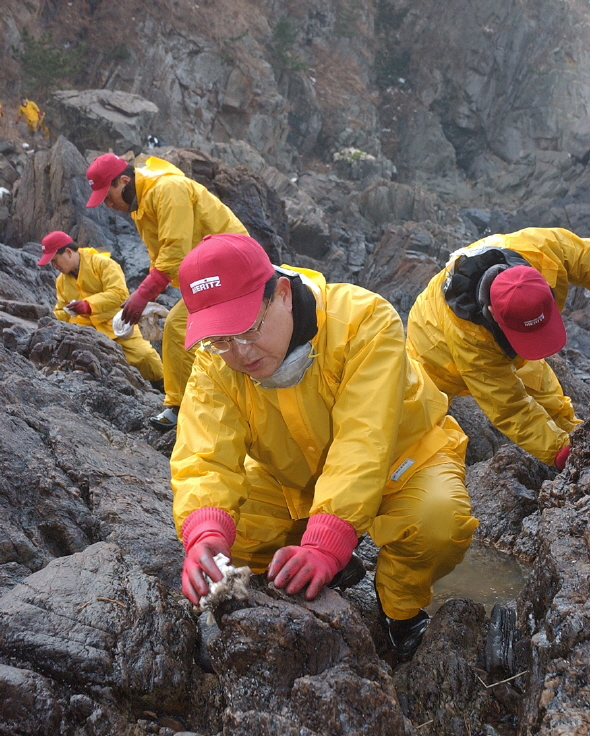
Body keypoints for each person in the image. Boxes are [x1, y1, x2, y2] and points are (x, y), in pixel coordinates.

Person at [170, 233, 479, 662]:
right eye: (220, 339)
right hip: (295, 477)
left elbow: (364, 440)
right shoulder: (215, 362)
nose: (239, 352)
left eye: (248, 329)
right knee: (228, 544)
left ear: (281, 294)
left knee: (438, 524)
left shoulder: (364, 320)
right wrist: (205, 534)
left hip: (403, 460)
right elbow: (204, 453)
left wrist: (326, 541)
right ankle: (335, 562)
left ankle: (400, 612)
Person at [85, 153, 248, 430]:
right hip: (209, 271)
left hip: (231, 263)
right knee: (187, 331)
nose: (108, 205)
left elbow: (175, 249)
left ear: (123, 181)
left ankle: (182, 406)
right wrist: (150, 298)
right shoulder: (140, 205)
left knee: (178, 327)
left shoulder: (167, 189)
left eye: (108, 197)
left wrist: (143, 294)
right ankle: (192, 403)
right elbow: (160, 255)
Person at [405, 226, 590, 469]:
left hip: (487, 327)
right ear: (492, 313)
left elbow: (583, 256)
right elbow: (509, 406)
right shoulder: (471, 339)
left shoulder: (541, 250)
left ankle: (572, 428)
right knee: (418, 418)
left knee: (534, 376)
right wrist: (560, 453)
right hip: (433, 353)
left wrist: (576, 440)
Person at [39, 230, 164, 384]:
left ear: (68, 252)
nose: (54, 266)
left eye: (54, 260)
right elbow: (62, 310)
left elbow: (119, 294)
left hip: (118, 327)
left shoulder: (103, 263)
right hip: (86, 335)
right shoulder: (61, 281)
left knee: (147, 358)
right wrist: (51, 318)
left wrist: (88, 305)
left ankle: (162, 386)